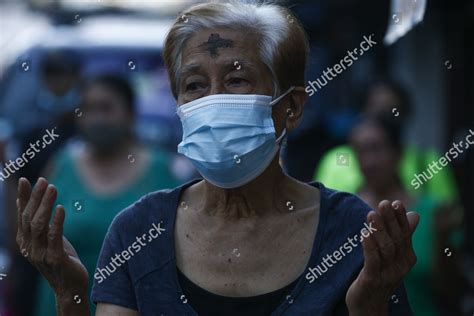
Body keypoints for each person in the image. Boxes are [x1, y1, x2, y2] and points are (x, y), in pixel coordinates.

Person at [16, 2, 419, 315]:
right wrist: (69, 294)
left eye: (237, 79)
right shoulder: (138, 231)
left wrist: (369, 308)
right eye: (194, 85)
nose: (212, 101)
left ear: (291, 107)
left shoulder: (350, 229)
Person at [31, 74, 180, 316]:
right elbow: (32, 239)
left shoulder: (161, 169)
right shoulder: (62, 165)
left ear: (130, 114)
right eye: (88, 109)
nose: (96, 119)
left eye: (106, 108)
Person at [349, 114, 464, 316]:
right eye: (360, 151)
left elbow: (452, 289)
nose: (368, 161)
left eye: (376, 148)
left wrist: (444, 242)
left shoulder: (433, 212)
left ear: (399, 152)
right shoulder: (344, 211)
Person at [314, 79, 459, 204]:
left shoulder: (428, 162)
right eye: (377, 111)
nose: (370, 161)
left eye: (393, 112)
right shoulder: (334, 161)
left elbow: (448, 216)